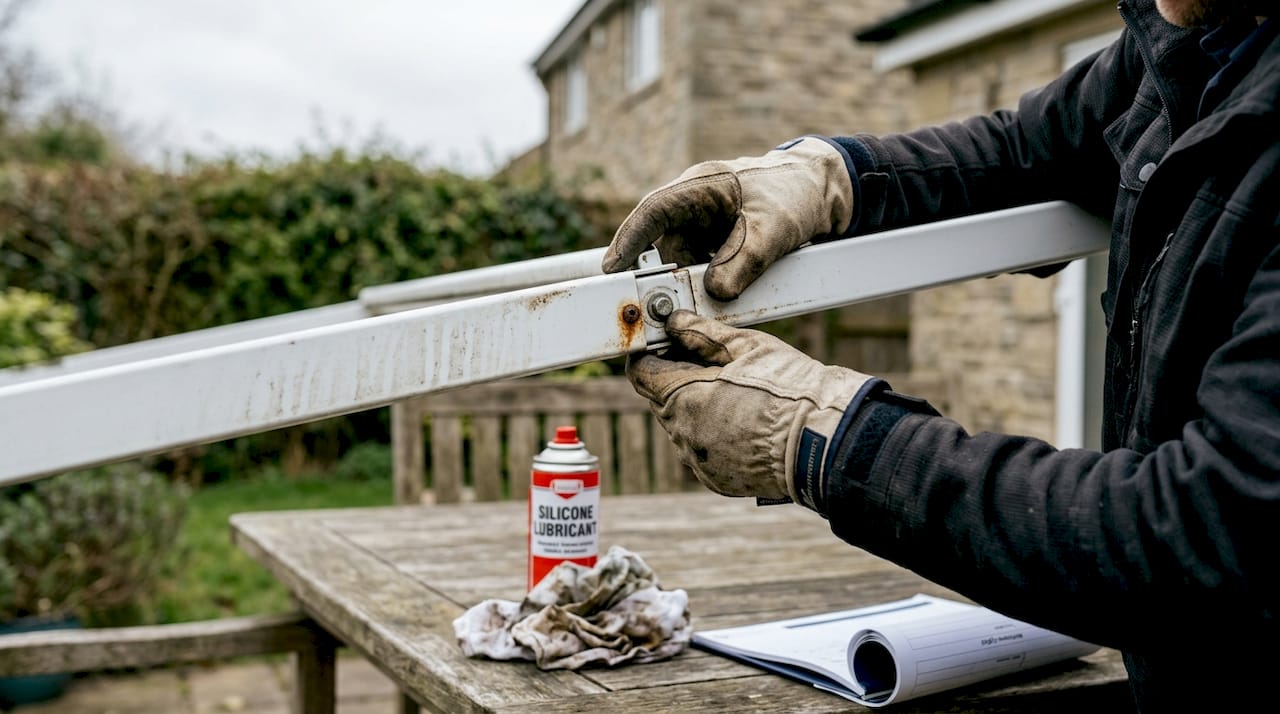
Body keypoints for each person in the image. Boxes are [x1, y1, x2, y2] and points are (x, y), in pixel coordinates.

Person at [600, 0, 1278, 710]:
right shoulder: (1193, 43)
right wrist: (833, 179)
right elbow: (1026, 150)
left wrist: (827, 443)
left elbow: (1212, 534)